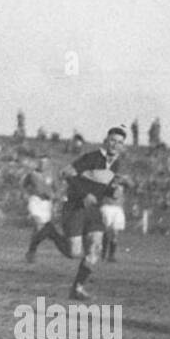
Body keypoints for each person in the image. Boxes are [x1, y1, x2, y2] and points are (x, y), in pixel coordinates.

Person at [25, 126, 128, 300]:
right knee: (73, 253)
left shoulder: (116, 163)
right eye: (112, 140)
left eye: (119, 142)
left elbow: (100, 186)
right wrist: (83, 193)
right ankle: (50, 231)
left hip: (93, 210)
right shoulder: (91, 157)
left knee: (95, 248)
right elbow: (66, 173)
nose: (115, 144)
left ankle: (77, 288)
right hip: (75, 207)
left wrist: (112, 192)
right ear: (106, 140)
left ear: (123, 145)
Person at [99, 175, 127, 261]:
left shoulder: (121, 186)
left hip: (117, 209)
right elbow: (113, 195)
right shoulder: (106, 186)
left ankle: (111, 255)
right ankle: (103, 254)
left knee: (115, 233)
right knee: (106, 231)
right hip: (108, 207)